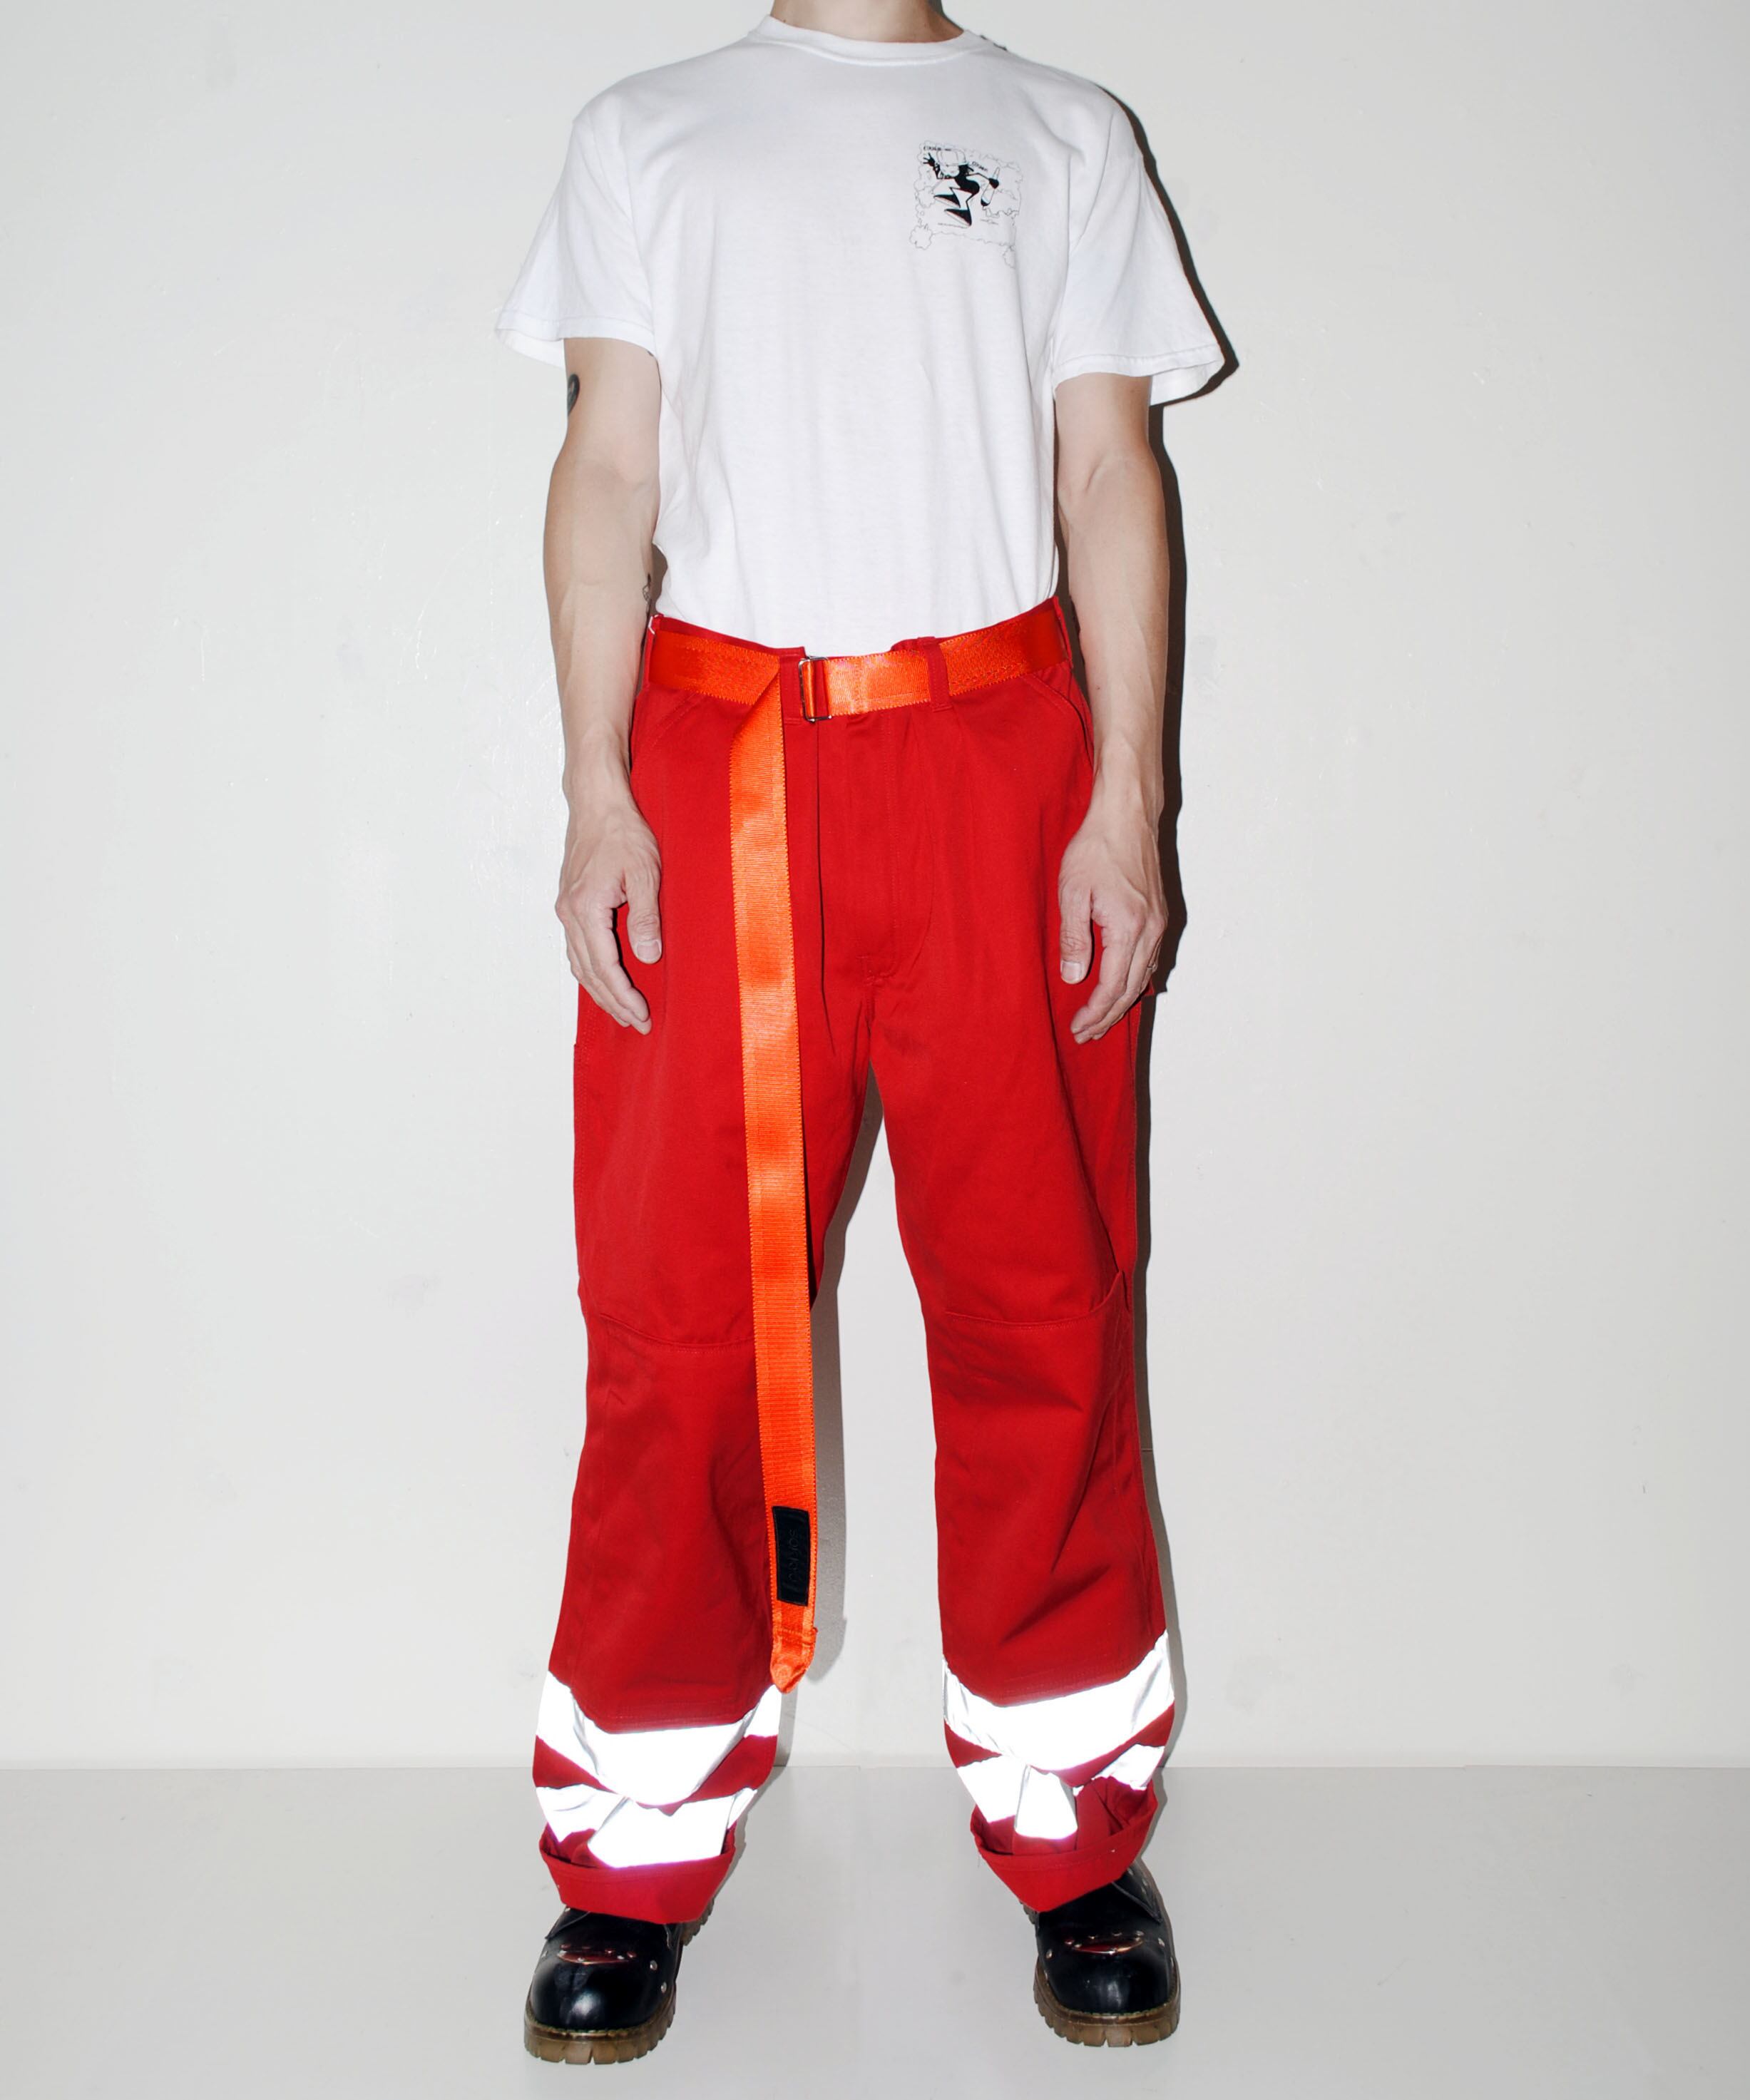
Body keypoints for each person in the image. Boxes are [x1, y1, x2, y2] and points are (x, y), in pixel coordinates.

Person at [496, 0, 1222, 2061]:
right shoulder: (651, 128)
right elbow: (608, 459)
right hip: (720, 750)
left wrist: (1128, 798)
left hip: (999, 749)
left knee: (1044, 1295)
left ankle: (1072, 1828)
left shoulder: (1064, 130)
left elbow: (1110, 461)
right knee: (677, 1319)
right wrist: (595, 786)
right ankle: (630, 1852)